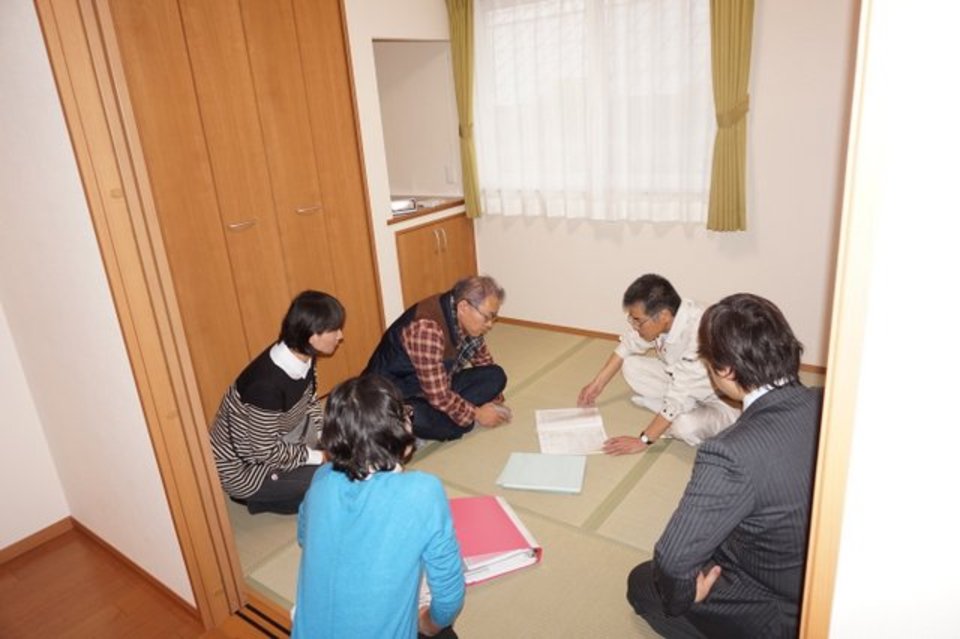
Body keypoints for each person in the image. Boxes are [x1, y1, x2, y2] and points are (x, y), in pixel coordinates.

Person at [626, 293, 823, 638]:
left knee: (645, 582)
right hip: (828, 573)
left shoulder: (730, 453)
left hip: (785, 608)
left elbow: (673, 559)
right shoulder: (829, 400)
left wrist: (684, 597)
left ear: (725, 370)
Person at [292, 374, 465, 639]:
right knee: (445, 633)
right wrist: (427, 625)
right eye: (406, 413)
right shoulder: (422, 491)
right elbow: (449, 598)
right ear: (399, 429)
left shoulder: (322, 478)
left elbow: (305, 537)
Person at [209, 290, 344, 515]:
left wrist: (324, 437)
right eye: (334, 330)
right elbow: (264, 451)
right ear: (313, 336)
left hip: (283, 438)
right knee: (333, 474)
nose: (340, 336)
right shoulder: (265, 386)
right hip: (247, 467)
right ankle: (260, 498)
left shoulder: (302, 354)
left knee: (346, 445)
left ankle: (292, 489)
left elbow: (310, 402)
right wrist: (320, 456)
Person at [577, 273, 739, 455]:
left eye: (638, 320)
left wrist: (643, 440)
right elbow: (628, 345)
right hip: (683, 383)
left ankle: (690, 415)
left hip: (723, 401)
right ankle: (681, 409)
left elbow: (679, 394)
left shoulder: (700, 333)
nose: (634, 326)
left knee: (683, 427)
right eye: (631, 319)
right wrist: (597, 384)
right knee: (631, 366)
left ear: (663, 316)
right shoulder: (669, 318)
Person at [364, 275, 511, 441]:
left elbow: (483, 359)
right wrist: (478, 414)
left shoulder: (462, 316)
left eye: (494, 318)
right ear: (464, 306)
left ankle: (448, 415)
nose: (490, 324)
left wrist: (495, 399)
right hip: (396, 396)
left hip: (432, 384)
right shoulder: (427, 329)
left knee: (495, 376)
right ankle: (404, 425)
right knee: (452, 428)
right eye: (487, 317)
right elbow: (438, 395)